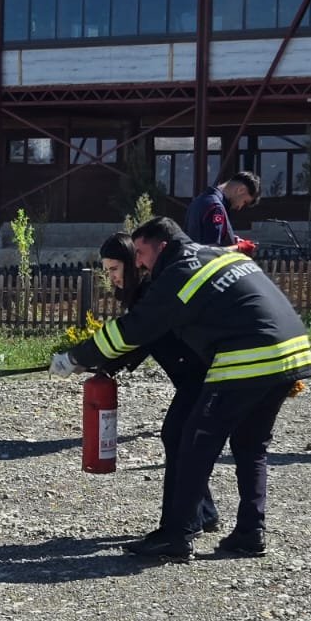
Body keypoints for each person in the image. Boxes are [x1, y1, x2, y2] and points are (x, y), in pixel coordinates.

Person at [53, 217, 311, 561]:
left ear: (162, 246)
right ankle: (250, 533)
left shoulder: (180, 271)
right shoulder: (216, 255)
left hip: (248, 356)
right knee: (250, 445)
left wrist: (75, 357)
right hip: (291, 352)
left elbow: (136, 328)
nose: (138, 262)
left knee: (192, 443)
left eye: (141, 252)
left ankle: (177, 535)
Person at [92, 231, 221, 542]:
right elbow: (141, 343)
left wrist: (90, 358)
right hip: (191, 379)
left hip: (201, 376)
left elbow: (140, 336)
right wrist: (104, 366)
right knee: (181, 439)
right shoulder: (142, 294)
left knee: (176, 436)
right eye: (107, 270)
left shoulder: (153, 291)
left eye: (115, 269)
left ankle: (181, 524)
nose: (112, 277)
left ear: (132, 263)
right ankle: (204, 513)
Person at [184, 169, 261, 247]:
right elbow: (212, 249)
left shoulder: (199, 200)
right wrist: (239, 247)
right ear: (241, 190)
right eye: (244, 202)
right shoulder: (216, 207)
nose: (240, 207)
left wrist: (230, 238)